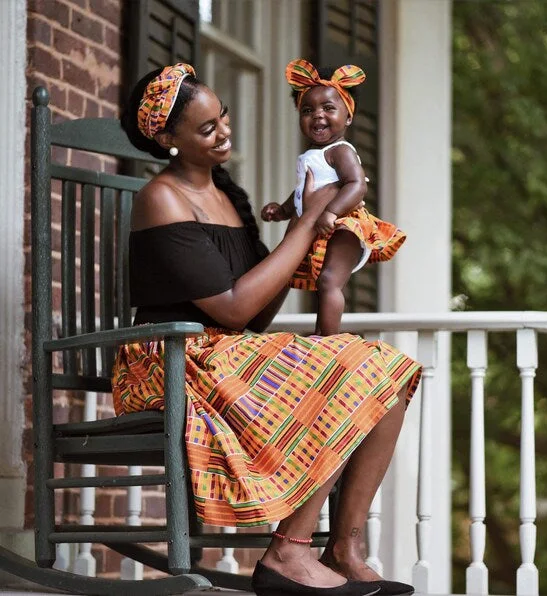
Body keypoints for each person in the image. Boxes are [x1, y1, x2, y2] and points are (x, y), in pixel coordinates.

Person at [115, 63, 422, 596]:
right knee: (345, 371)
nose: (225, 132)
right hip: (170, 359)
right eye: (207, 128)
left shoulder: (228, 199)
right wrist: (305, 224)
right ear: (167, 139)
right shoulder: (162, 197)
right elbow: (234, 310)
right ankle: (288, 554)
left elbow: (255, 314)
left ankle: (344, 548)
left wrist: (317, 237)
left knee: (385, 374)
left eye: (224, 118)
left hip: (223, 349)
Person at [261, 59, 406, 336]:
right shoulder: (311, 155)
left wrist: (331, 211)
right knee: (320, 282)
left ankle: (327, 337)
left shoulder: (340, 151)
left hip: (344, 226)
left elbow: (356, 185)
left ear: (348, 116)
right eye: (307, 110)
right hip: (322, 226)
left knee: (329, 281)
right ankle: (321, 332)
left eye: (328, 108)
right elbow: (304, 194)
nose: (317, 115)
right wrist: (282, 210)